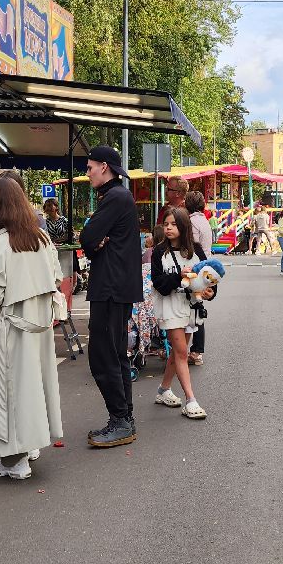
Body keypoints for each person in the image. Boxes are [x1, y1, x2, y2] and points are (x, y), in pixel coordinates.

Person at [0, 178, 64, 479]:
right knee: (34, 386)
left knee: (8, 392)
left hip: (8, 329)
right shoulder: (42, 239)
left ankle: (15, 458)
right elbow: (55, 280)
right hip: (38, 328)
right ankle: (31, 444)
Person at [79, 145, 142, 447]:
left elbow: (88, 238)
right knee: (115, 354)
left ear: (104, 167)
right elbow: (93, 241)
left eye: (90, 167)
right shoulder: (119, 196)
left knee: (103, 355)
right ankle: (123, 418)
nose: (87, 172)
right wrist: (95, 241)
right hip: (117, 287)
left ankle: (120, 420)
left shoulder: (114, 198)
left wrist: (94, 239)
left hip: (111, 287)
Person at [150, 206, 210, 419]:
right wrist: (179, 276)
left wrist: (209, 290)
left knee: (177, 353)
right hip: (170, 307)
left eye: (174, 224)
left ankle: (163, 389)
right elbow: (159, 284)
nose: (168, 228)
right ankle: (191, 400)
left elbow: (207, 278)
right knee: (182, 352)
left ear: (183, 226)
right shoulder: (159, 252)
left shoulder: (195, 250)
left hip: (191, 307)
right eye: (166, 224)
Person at [184, 190, 213, 364]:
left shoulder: (192, 222)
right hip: (206, 268)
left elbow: (192, 247)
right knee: (197, 308)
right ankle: (196, 350)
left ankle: (196, 351)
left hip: (197, 269)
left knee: (194, 310)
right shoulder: (204, 221)